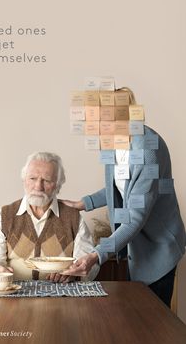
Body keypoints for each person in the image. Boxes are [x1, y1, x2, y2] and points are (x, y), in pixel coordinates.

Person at [63, 88, 186, 307]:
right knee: (136, 322)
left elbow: (135, 216)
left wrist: (95, 256)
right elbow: (119, 187)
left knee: (152, 327)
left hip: (158, 248)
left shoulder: (148, 151)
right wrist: (83, 203)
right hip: (135, 248)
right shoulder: (113, 145)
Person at [0, 152, 99, 283]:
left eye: (46, 180)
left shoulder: (73, 218)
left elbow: (89, 264)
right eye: (32, 178)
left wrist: (74, 274)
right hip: (15, 295)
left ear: (58, 185)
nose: (38, 186)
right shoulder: (4, 216)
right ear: (24, 180)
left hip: (63, 294)